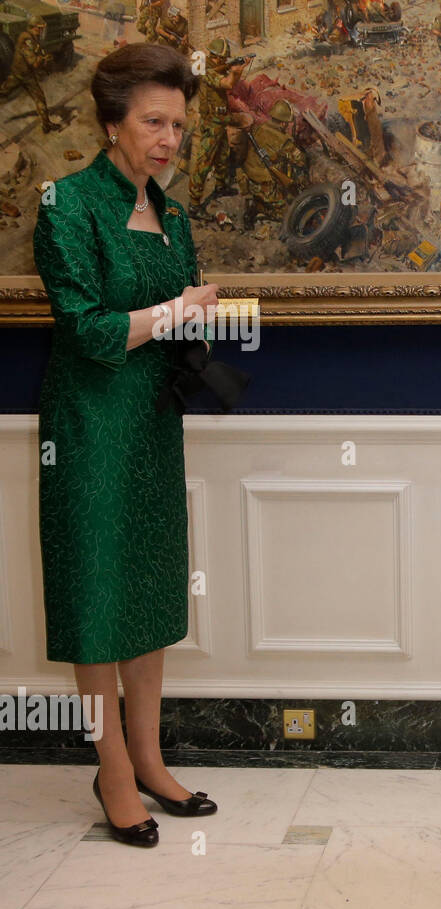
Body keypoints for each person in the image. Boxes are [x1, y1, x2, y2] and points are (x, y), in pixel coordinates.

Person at [33, 42, 221, 848]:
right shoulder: (66, 206)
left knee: (146, 589)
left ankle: (149, 758)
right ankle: (109, 766)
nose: (168, 137)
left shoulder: (173, 212)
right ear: (113, 123)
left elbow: (166, 318)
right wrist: (179, 311)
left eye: (177, 123)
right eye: (153, 121)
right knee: (97, 594)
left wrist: (194, 320)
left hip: (151, 422)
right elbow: (86, 329)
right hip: (88, 424)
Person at [188, 37, 247, 217]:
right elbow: (228, 84)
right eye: (222, 59)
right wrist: (237, 72)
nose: (224, 61)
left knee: (222, 155)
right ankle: (194, 205)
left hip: (220, 120)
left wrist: (232, 67)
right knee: (203, 163)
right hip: (212, 122)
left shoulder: (211, 67)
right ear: (215, 57)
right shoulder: (206, 71)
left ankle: (220, 186)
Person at [239, 99, 308, 229]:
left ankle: (260, 201)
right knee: (290, 216)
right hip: (264, 184)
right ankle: (258, 208)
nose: (288, 125)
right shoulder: (283, 140)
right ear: (282, 123)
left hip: (249, 177)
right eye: (287, 123)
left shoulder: (259, 128)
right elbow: (301, 161)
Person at [0, 18, 62, 133]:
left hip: (25, 74)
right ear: (34, 27)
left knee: (40, 98)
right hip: (20, 74)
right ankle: (46, 124)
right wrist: (44, 60)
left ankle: (46, 125)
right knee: (3, 92)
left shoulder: (33, 38)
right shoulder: (26, 39)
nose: (42, 31)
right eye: (40, 28)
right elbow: (33, 62)